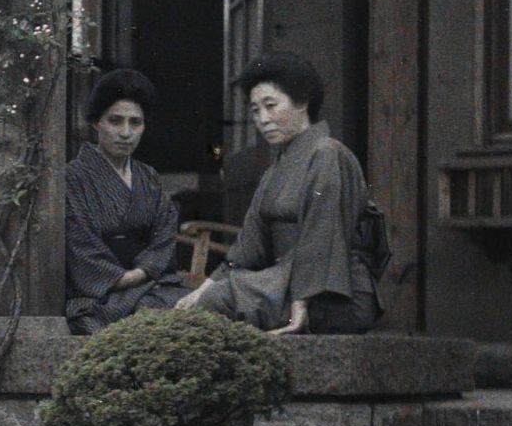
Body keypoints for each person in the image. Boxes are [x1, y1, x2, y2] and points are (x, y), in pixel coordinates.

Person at [175, 52, 383, 334]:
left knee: (221, 300)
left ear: (303, 102)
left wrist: (300, 305)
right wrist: (201, 289)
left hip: (336, 294)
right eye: (255, 111)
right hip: (285, 283)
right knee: (197, 300)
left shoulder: (328, 154)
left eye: (271, 106)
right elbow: (248, 248)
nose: (263, 119)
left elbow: (322, 235)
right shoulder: (275, 170)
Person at [64, 68, 189, 334]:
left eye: (135, 123)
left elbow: (164, 235)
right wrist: (128, 278)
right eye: (115, 121)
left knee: (188, 307)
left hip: (149, 287)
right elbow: (81, 247)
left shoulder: (149, 177)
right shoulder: (74, 178)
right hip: (100, 295)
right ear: (97, 122)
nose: (125, 132)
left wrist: (142, 275)